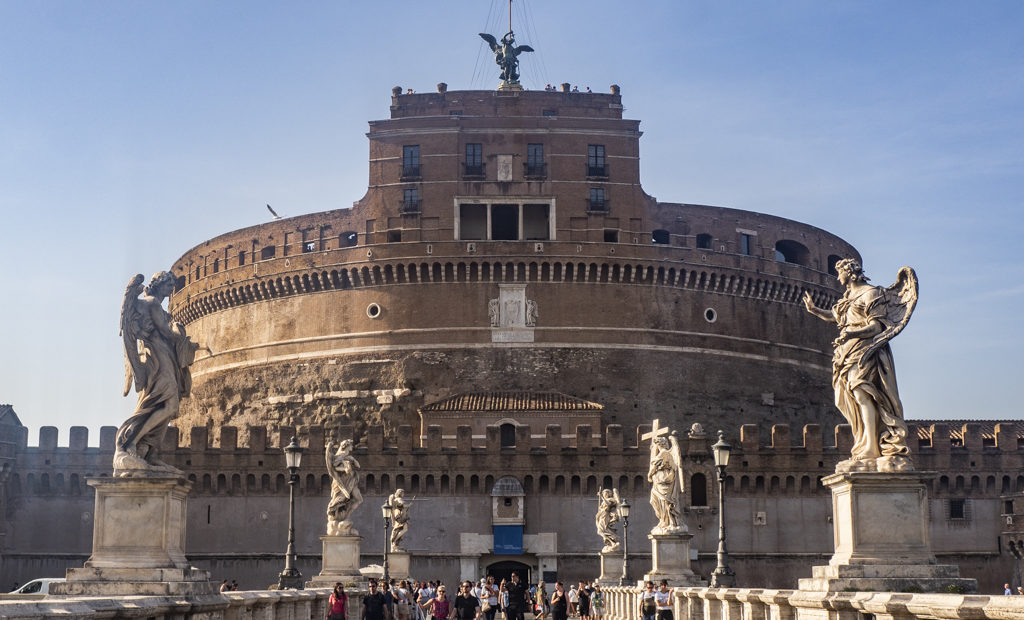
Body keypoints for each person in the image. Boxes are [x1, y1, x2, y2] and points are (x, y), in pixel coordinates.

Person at [803, 259, 916, 472]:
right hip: (847, 351)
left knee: (864, 394)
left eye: (840, 273)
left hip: (867, 350)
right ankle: (863, 442)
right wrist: (815, 310)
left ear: (850, 273)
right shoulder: (848, 298)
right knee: (848, 398)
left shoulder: (871, 294)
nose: (838, 278)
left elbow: (876, 327)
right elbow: (836, 317)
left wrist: (852, 333)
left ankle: (872, 447)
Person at [116, 271, 200, 475]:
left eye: (171, 286)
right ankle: (130, 444)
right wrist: (184, 341)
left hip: (165, 356)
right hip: (157, 358)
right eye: (167, 285)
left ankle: (150, 454)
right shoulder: (152, 303)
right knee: (167, 403)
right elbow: (163, 331)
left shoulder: (155, 305)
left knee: (167, 405)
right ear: (158, 285)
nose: (170, 290)